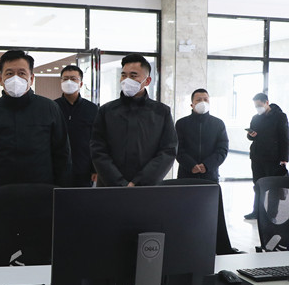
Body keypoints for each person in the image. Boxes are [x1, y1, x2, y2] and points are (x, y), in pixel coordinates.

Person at [0, 50, 71, 239]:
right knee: (0, 250)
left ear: (31, 78)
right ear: (0, 78)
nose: (16, 78)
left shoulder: (49, 109)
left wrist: (63, 197)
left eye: (22, 73)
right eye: (9, 73)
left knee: (40, 251)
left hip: (42, 198)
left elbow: (62, 156)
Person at [90, 53, 177, 187]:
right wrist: (119, 183)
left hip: (147, 188)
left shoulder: (161, 112)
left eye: (133, 75)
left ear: (147, 81)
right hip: (110, 187)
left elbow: (168, 151)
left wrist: (139, 182)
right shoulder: (106, 111)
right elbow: (98, 150)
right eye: (123, 75)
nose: (126, 80)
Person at [244, 93, 289, 220]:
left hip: (273, 158)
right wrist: (250, 135)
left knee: (273, 187)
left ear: (266, 103)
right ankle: (257, 211)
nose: (257, 108)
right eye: (255, 106)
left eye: (259, 105)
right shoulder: (255, 117)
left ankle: (271, 214)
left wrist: (284, 158)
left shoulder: (280, 117)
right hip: (257, 157)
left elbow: (285, 138)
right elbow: (250, 136)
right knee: (258, 185)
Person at [55, 65, 99, 187]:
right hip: (58, 168)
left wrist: (95, 168)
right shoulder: (53, 107)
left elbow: (97, 139)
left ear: (81, 83)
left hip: (84, 169)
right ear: (61, 82)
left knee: (83, 198)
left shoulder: (92, 109)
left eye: (73, 79)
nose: (69, 82)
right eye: (65, 79)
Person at [175, 88, 229, 182]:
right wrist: (191, 165)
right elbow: (177, 148)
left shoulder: (218, 124)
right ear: (192, 104)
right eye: (199, 100)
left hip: (210, 174)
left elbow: (222, 149)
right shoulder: (181, 123)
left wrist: (207, 165)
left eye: (205, 100)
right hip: (186, 174)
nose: (203, 102)